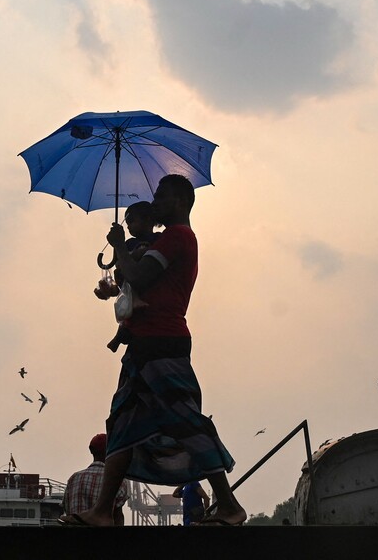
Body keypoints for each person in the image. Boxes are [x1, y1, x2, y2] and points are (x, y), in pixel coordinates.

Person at [62, 174, 246, 527]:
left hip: (163, 342)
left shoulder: (178, 237)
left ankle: (229, 505)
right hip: (143, 345)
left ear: (178, 200)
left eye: (160, 196)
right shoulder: (164, 241)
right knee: (122, 424)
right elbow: (131, 281)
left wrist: (118, 245)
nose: (154, 202)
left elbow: (141, 278)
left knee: (187, 422)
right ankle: (102, 511)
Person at [94, 201, 161, 352]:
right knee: (123, 287)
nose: (128, 226)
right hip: (126, 282)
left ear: (148, 219)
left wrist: (127, 252)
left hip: (140, 282)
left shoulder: (157, 239)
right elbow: (119, 264)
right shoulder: (129, 243)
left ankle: (121, 333)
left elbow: (141, 260)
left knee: (128, 281)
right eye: (127, 222)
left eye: (131, 221)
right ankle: (109, 292)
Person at [61, 433, 129, 526]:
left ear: (91, 450)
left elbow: (68, 511)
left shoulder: (74, 479)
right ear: (111, 450)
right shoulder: (119, 481)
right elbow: (117, 516)